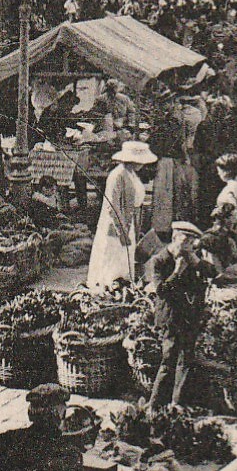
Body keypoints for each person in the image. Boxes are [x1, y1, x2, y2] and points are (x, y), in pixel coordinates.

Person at [144, 222, 215, 407]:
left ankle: (177, 403)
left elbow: (212, 272)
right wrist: (177, 272)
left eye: (191, 241)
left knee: (186, 360)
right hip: (170, 317)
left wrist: (197, 263)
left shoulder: (190, 257)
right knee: (169, 359)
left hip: (188, 316)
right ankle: (155, 403)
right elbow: (161, 291)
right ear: (174, 237)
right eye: (185, 240)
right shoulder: (159, 260)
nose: (188, 245)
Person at [87, 141, 155, 289]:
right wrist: (121, 229)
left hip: (129, 220)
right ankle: (108, 286)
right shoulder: (117, 175)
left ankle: (122, 285)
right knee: (113, 257)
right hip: (117, 224)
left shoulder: (131, 174)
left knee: (125, 257)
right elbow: (113, 206)